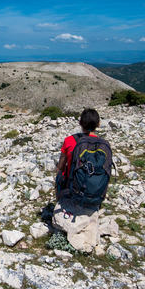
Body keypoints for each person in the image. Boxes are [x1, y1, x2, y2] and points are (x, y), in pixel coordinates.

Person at [51, 108, 110, 253]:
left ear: (80, 123)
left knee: (59, 174)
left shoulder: (69, 141)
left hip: (72, 190)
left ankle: (62, 201)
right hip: (95, 194)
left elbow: (61, 166)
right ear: (99, 124)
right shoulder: (103, 144)